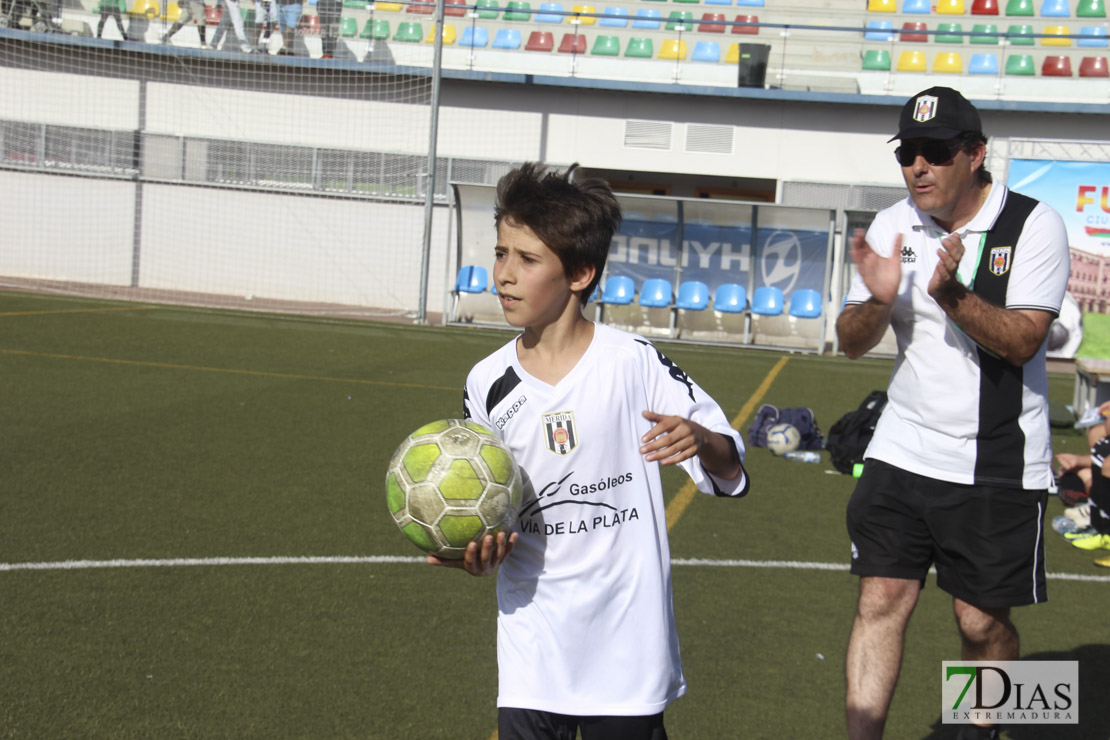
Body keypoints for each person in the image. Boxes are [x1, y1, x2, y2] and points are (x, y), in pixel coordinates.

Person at [438, 162, 750, 740]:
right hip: (533, 646)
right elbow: (489, 504)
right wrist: (473, 548)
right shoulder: (486, 381)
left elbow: (731, 467)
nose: (504, 274)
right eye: (501, 252)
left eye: (527, 260)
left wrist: (700, 439)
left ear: (580, 272)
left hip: (627, 648)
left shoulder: (634, 362)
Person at [836, 87, 1070, 740]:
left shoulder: (1033, 224)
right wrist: (878, 304)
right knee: (880, 600)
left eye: (935, 152)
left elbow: (1023, 340)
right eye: (908, 152)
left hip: (997, 457)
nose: (918, 166)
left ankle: (993, 726)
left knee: (980, 623)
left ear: (974, 154)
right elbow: (852, 344)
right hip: (901, 449)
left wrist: (949, 294)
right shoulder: (891, 225)